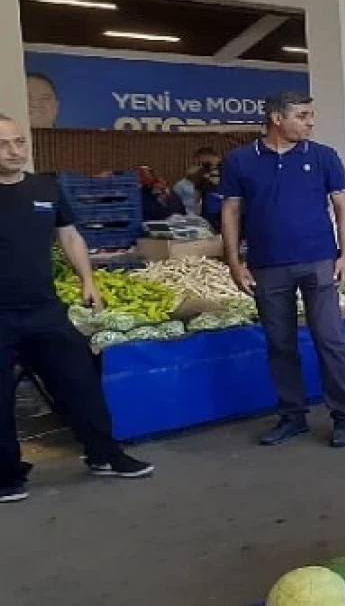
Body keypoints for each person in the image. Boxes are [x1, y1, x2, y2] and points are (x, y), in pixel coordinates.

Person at [0, 114, 153, 504]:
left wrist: (88, 280)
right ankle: (6, 476)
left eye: (19, 142)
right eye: (4, 145)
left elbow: (68, 234)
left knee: (80, 382)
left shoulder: (45, 188)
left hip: (45, 311)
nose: (14, 151)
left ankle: (104, 454)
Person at [220, 91, 345, 448]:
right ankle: (292, 416)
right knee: (279, 344)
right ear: (277, 118)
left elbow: (343, 207)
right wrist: (235, 262)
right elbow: (231, 213)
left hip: (319, 262)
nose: (311, 122)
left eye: (311, 115)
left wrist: (344, 255)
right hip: (267, 267)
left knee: (330, 341)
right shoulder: (240, 161)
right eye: (303, 115)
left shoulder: (324, 156)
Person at [171, 147, 220, 215]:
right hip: (207, 211)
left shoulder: (225, 168)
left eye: (201, 158)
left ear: (206, 156)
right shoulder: (201, 172)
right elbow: (197, 194)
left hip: (223, 207)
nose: (200, 162)